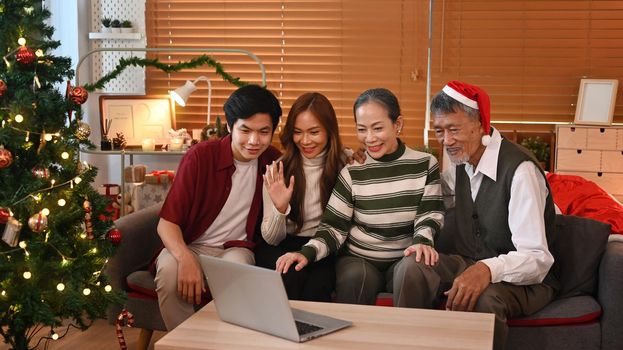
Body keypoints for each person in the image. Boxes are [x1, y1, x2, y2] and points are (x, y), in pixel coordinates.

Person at [398, 80, 557, 350]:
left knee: (485, 299)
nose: (446, 141)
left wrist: (486, 269)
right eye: (439, 130)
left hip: (523, 280)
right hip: (469, 261)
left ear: (480, 124)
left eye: (454, 129)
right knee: (411, 268)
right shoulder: (462, 160)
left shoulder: (520, 171)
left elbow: (537, 259)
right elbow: (428, 190)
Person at [275, 88, 445, 305]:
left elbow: (429, 215)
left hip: (405, 256)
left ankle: (407, 336)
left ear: (398, 124)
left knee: (412, 269)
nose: (369, 138)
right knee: (354, 278)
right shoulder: (352, 169)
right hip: (358, 259)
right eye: (362, 129)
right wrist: (305, 253)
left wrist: (423, 241)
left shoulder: (425, 164)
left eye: (378, 128)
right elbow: (334, 226)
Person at [154, 84, 282, 330]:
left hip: (235, 249)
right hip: (188, 244)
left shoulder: (272, 161)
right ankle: (185, 346)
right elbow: (166, 223)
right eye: (245, 130)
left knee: (239, 274)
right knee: (170, 274)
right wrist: (185, 257)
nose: (254, 141)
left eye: (264, 132)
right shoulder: (201, 156)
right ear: (230, 126)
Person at [255, 92, 346, 301]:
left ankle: (313, 333)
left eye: (314, 132)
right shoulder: (277, 170)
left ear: (329, 131)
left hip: (321, 245)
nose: (305, 141)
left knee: (318, 286)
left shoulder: (344, 165)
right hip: (280, 244)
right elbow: (271, 238)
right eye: (297, 132)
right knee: (291, 275)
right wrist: (280, 208)